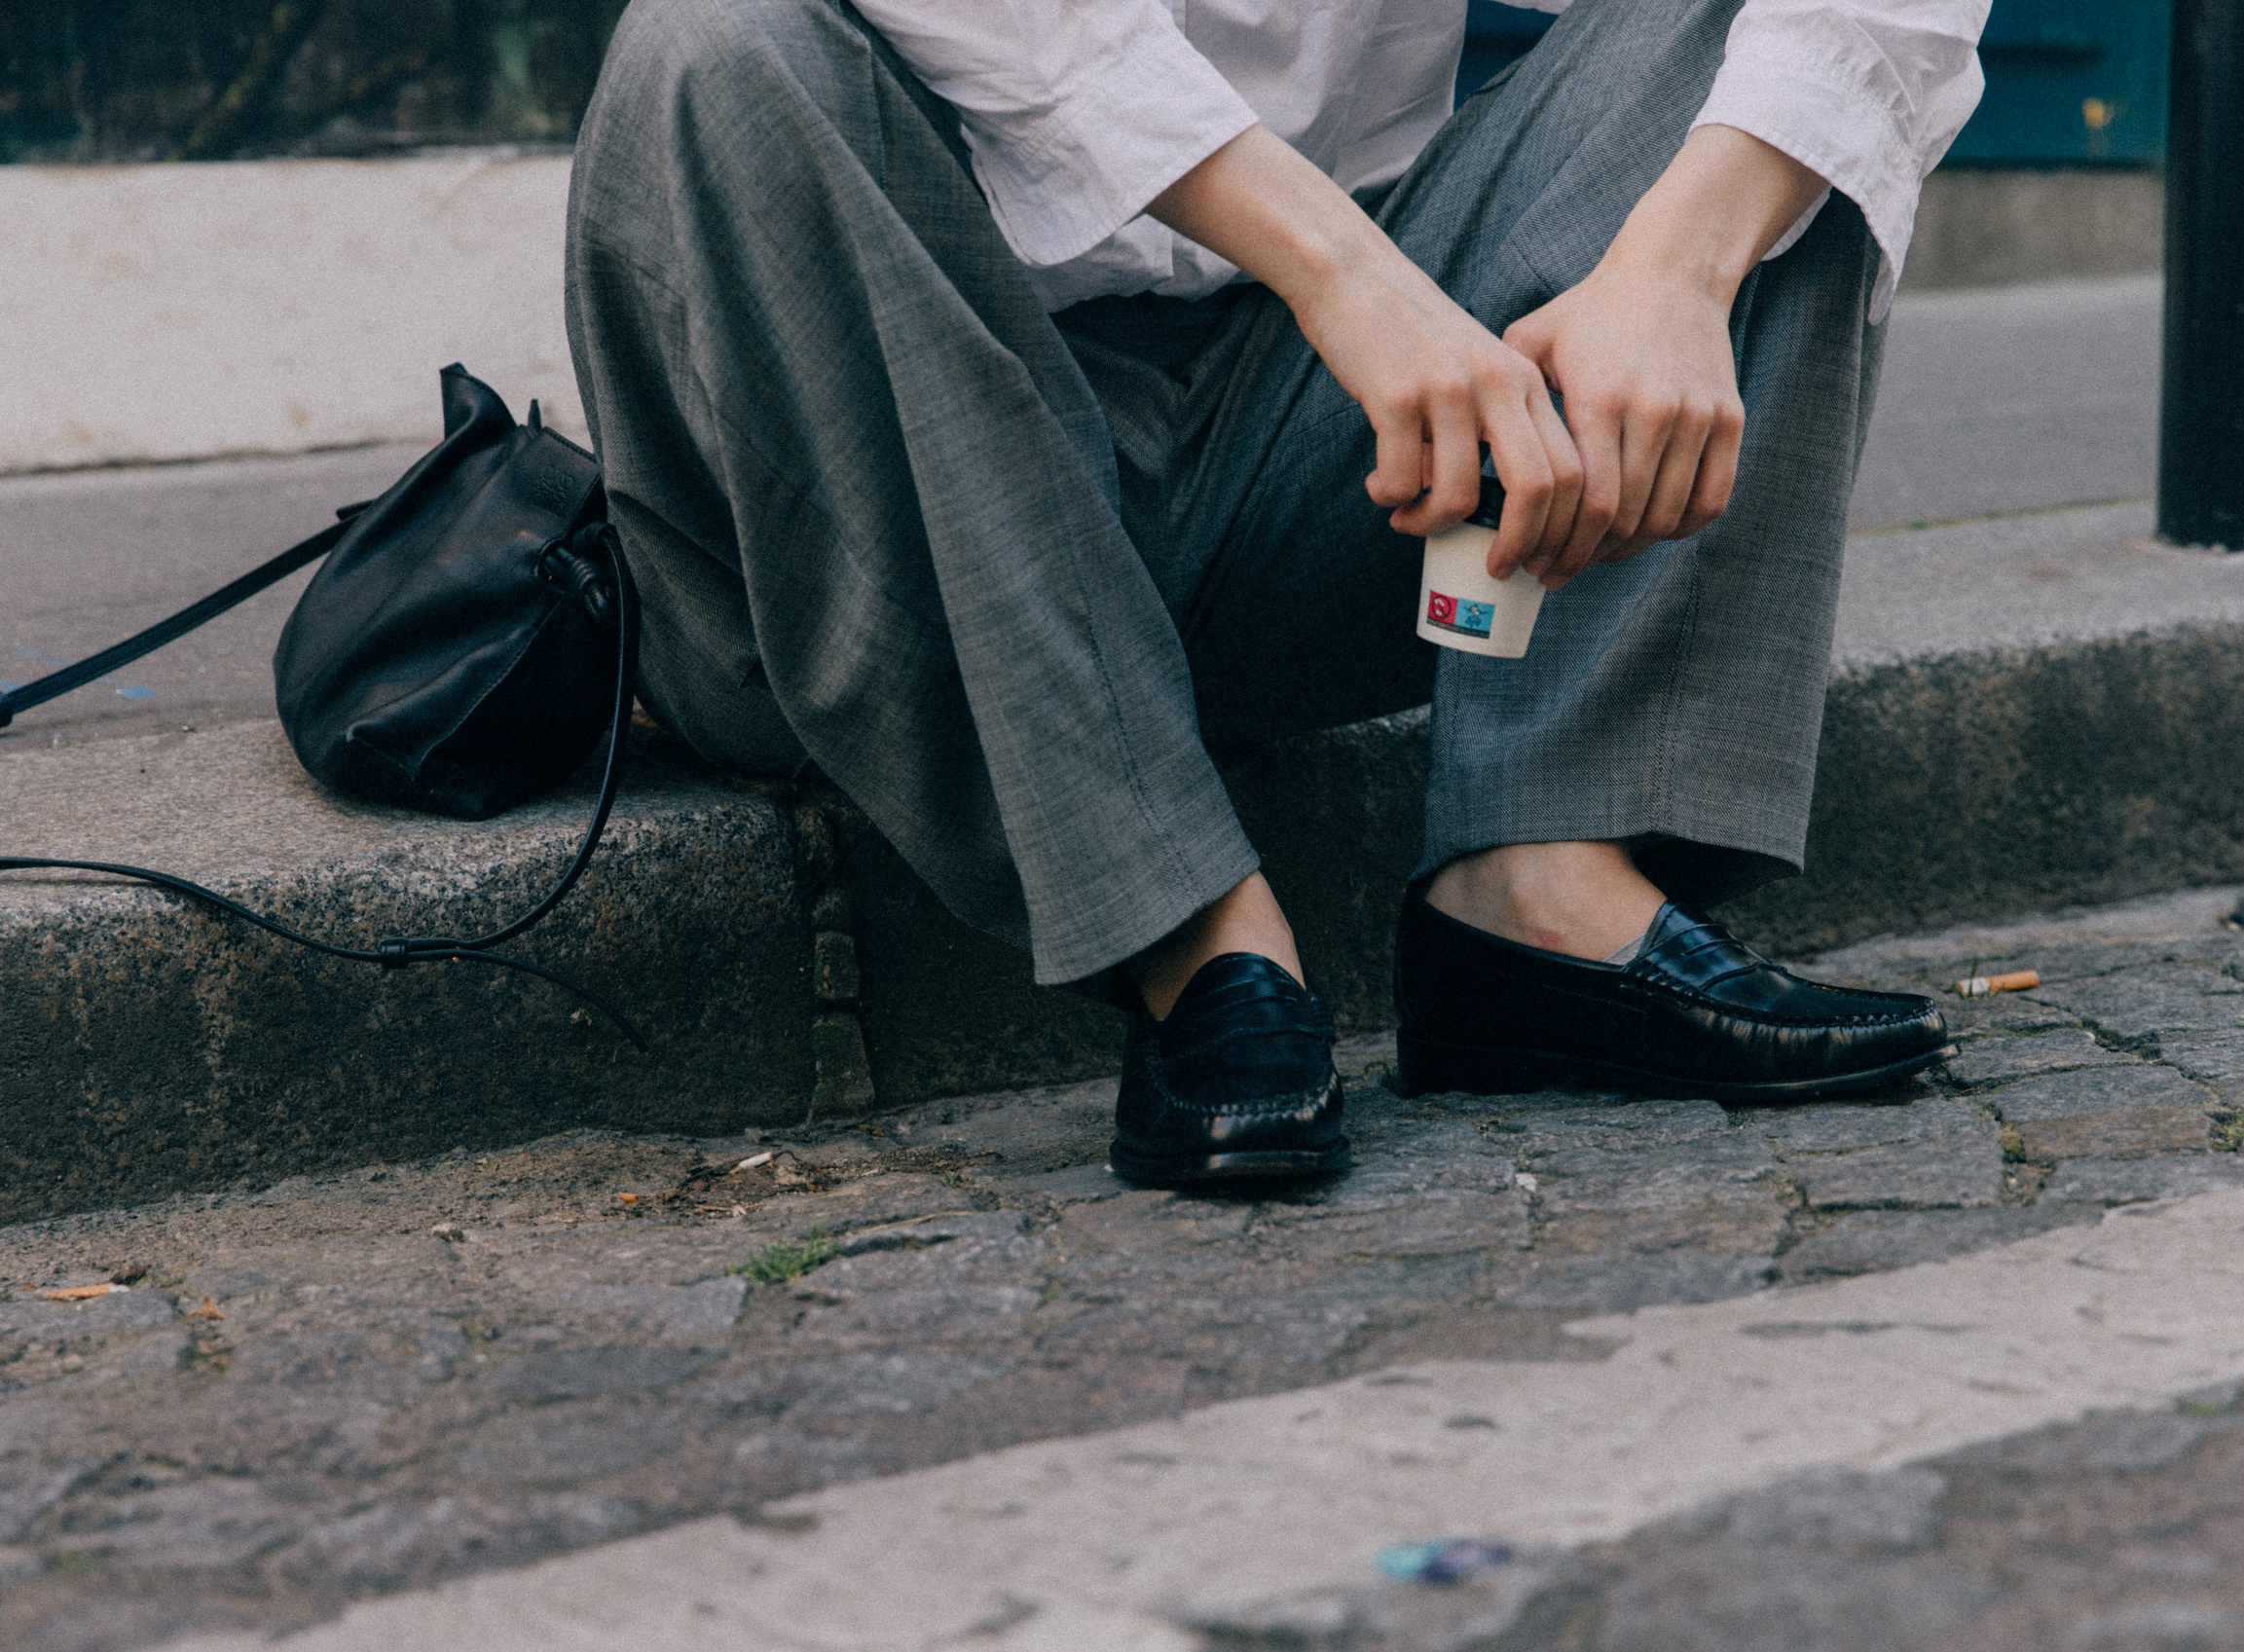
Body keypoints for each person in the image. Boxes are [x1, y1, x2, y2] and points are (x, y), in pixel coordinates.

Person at [566, 0, 1985, 1186]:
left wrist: (1678, 266)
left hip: (1317, 451)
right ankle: (1199, 936)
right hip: (897, 504)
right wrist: (1348, 276)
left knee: (1786, 78)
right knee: (718, 35)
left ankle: (1543, 872)